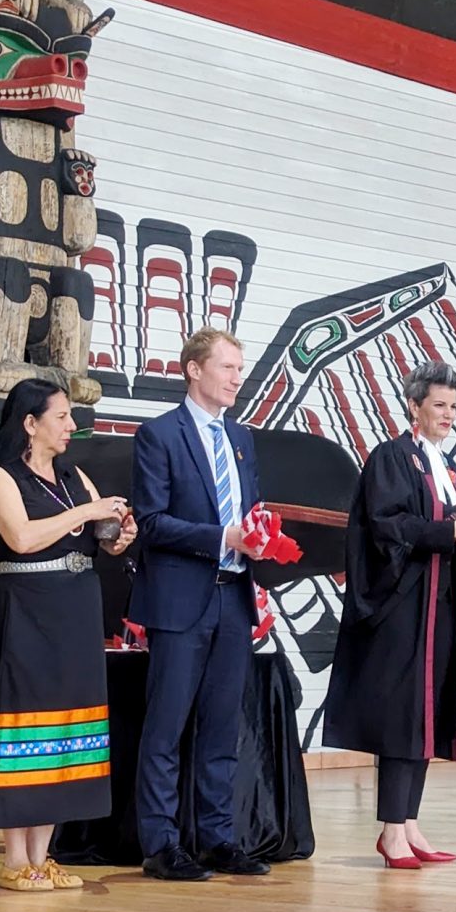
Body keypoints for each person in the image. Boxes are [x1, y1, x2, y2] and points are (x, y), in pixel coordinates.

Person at [324, 360, 456, 870]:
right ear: (414, 407)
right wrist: (453, 533)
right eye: (439, 405)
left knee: (428, 717)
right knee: (404, 719)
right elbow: (387, 525)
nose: (448, 415)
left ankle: (409, 822)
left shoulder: (448, 468)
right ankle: (390, 829)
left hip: (441, 606)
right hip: (403, 608)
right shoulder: (392, 457)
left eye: (453, 406)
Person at [0, 378, 135, 891]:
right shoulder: (0, 478)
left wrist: (119, 534)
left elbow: (101, 537)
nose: (71, 426)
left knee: (66, 731)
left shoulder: (72, 474)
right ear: (30, 424)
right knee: (26, 727)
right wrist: (85, 512)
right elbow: (22, 537)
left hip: (75, 611)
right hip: (25, 613)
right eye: (61, 417)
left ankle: (43, 856)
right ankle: (15, 859)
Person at [130, 328, 269, 881]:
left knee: (220, 727)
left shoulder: (242, 438)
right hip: (181, 600)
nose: (238, 378)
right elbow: (151, 522)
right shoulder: (159, 435)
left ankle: (217, 837)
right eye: (228, 367)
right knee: (166, 728)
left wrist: (258, 541)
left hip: (233, 597)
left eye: (240, 368)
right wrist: (223, 538)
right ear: (194, 369)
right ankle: (161, 844)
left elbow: (249, 512)